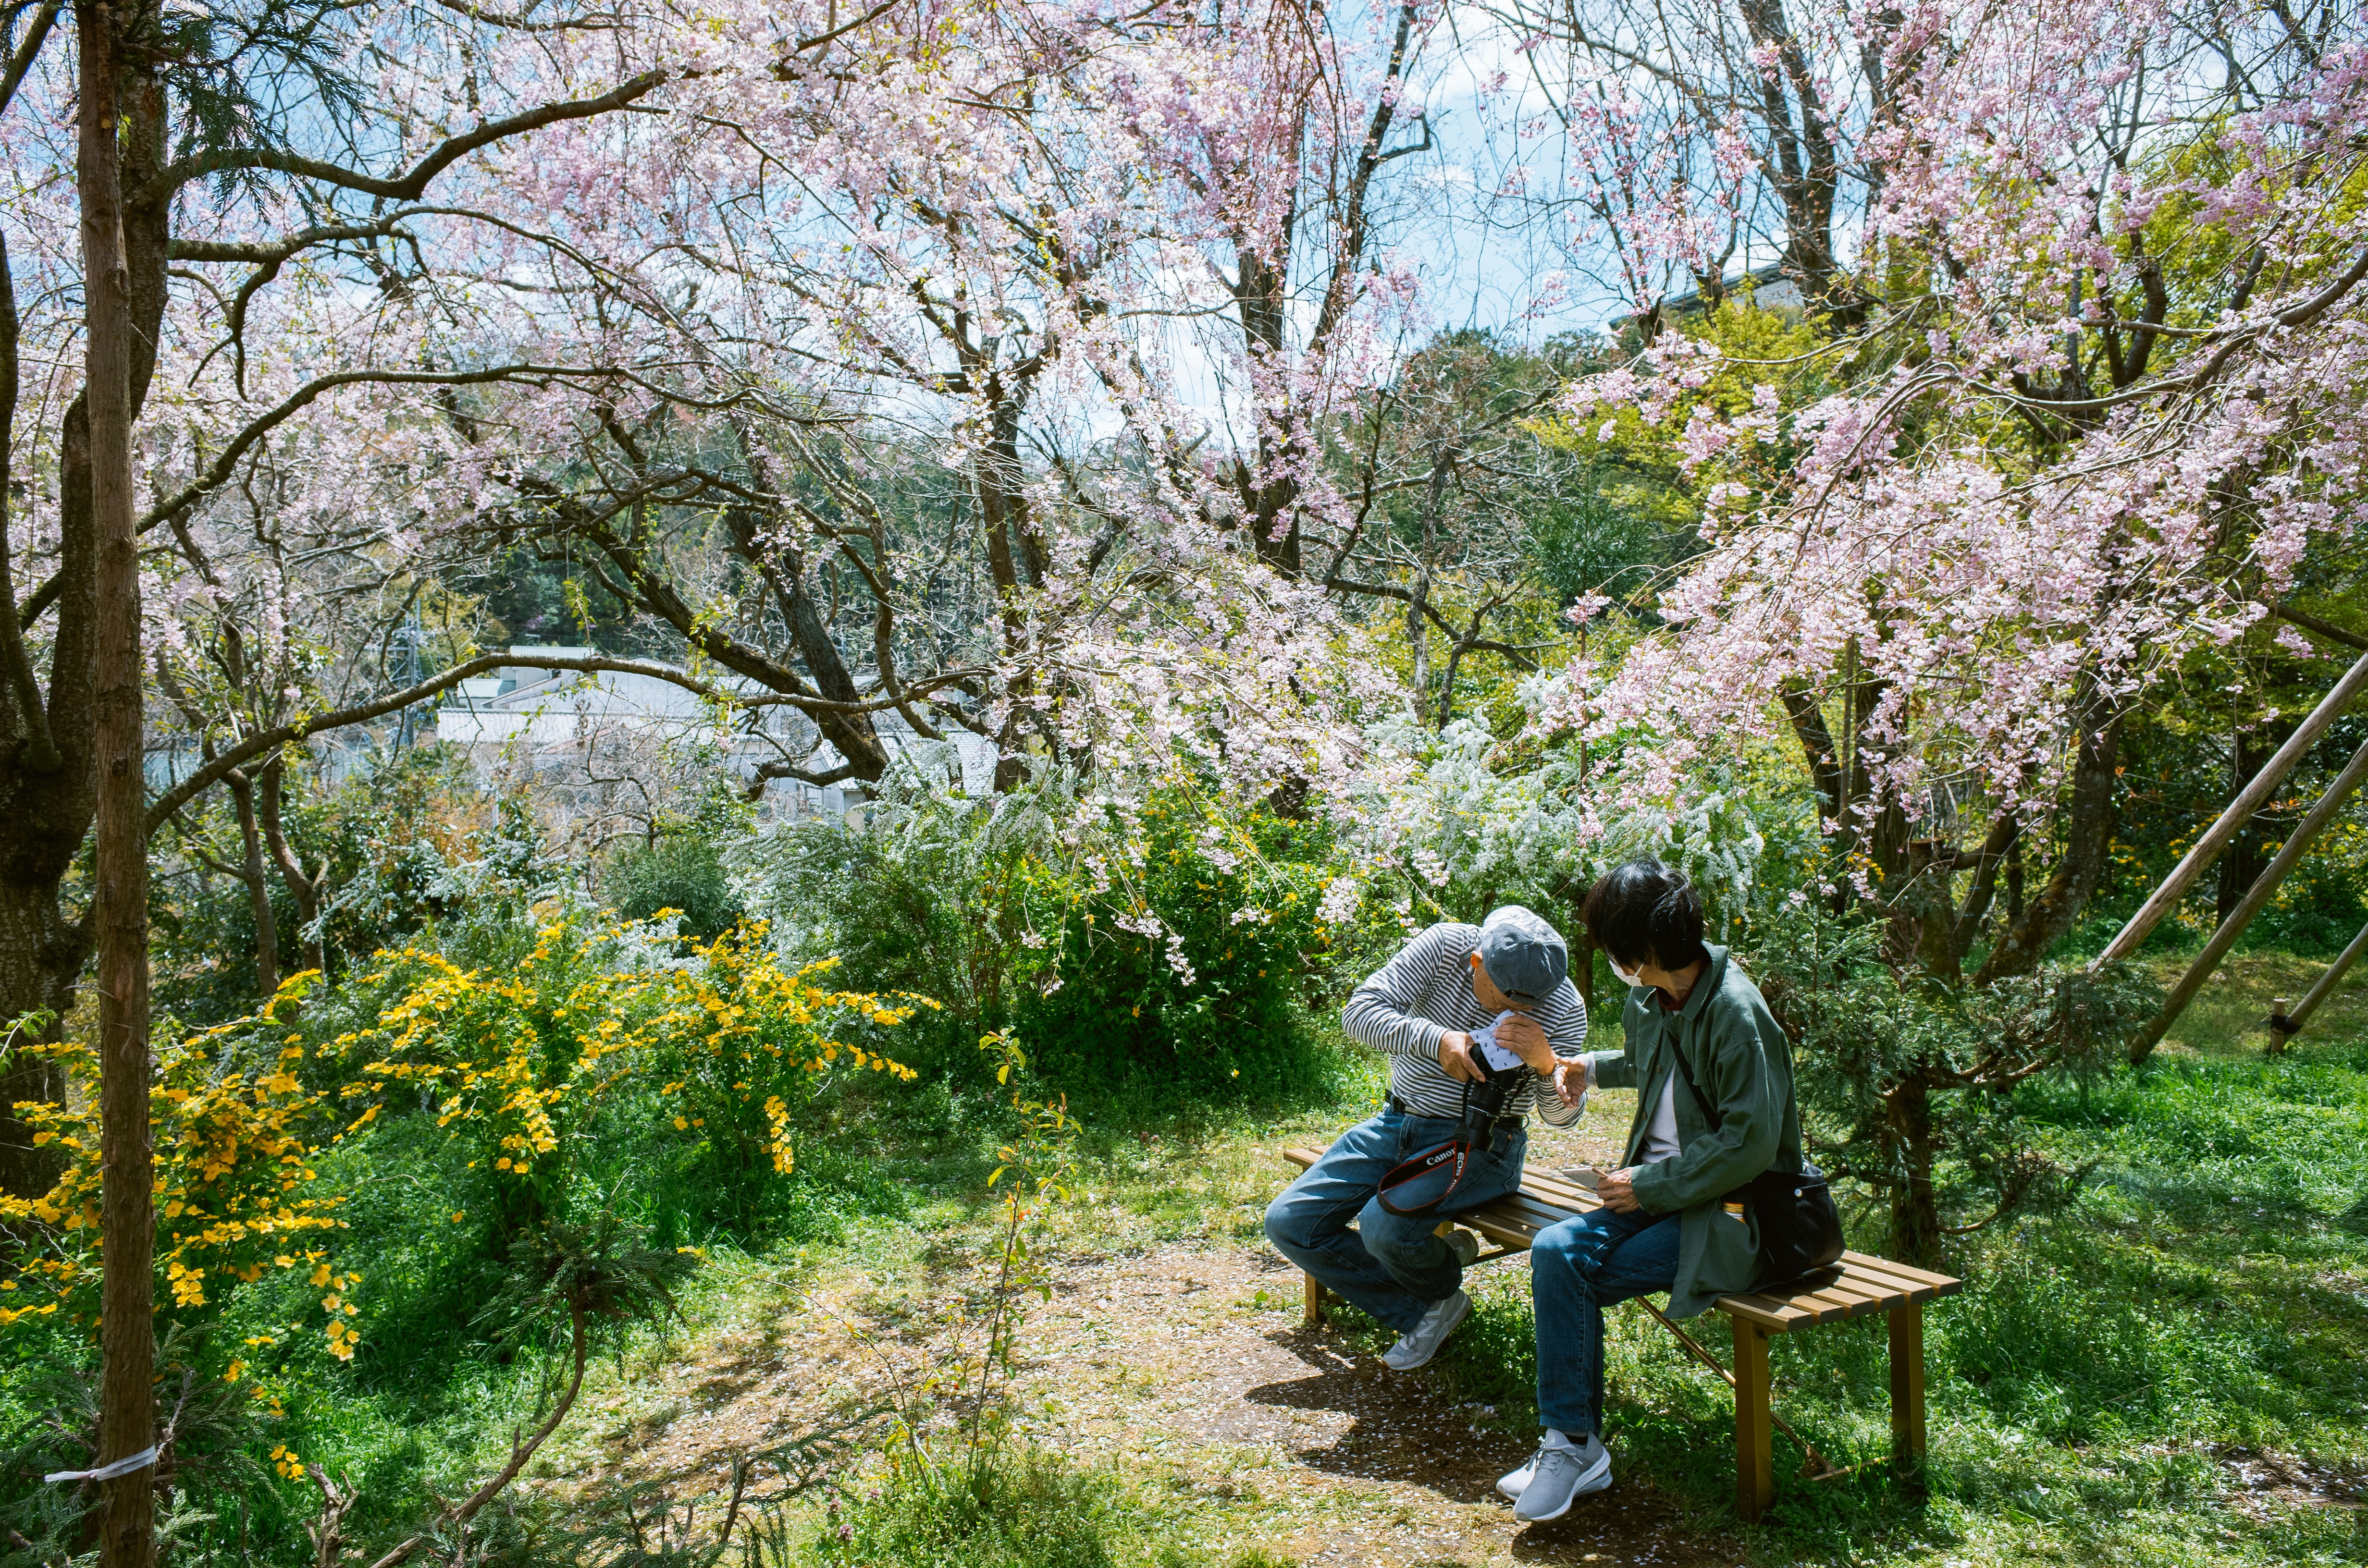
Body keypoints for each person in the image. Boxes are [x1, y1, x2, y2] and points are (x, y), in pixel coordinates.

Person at [1497, 857, 1807, 1523]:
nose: (1610, 958)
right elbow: (1648, 1059)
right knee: (1556, 1252)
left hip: (1736, 1212)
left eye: (1613, 945)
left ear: (1640, 950)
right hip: (1657, 1193)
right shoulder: (1654, 995)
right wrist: (1586, 1068)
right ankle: (1570, 1445)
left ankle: (1573, 1448)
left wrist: (1651, 1185)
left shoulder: (1736, 1014)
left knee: (1570, 1278)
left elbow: (1751, 1146)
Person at [1265, 906, 1589, 1372]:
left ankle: (1425, 1288)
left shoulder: (1562, 1004)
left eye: (1528, 1005)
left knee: (1383, 1227)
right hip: (1396, 1122)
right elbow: (1358, 1013)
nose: (1514, 1013)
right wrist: (1436, 1041)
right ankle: (1430, 1300)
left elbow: (1562, 1118)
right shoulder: (1444, 948)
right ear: (1476, 962)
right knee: (1290, 1222)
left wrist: (1545, 1064)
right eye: (1502, 999)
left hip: (1484, 1145)